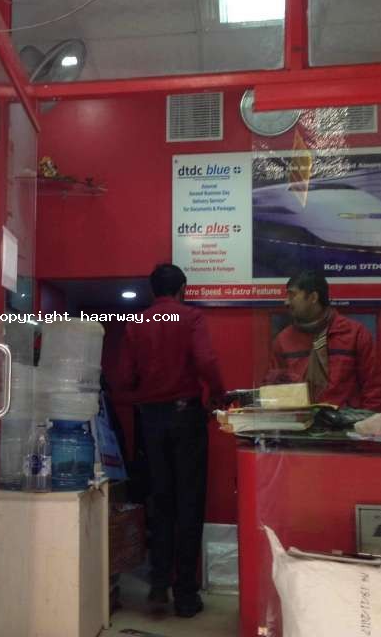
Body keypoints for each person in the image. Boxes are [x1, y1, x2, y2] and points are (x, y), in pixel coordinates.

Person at [118, 263, 226, 618]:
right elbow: (206, 360)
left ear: (153, 291)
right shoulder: (191, 317)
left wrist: (144, 392)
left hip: (151, 421)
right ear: (183, 289)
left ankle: (159, 582)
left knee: (160, 500)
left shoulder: (137, 323)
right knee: (189, 503)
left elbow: (124, 375)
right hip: (185, 417)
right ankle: (185, 596)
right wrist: (218, 394)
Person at [269, 269, 381, 410]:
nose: (286, 302)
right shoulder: (283, 341)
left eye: (292, 295)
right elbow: (275, 391)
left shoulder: (354, 334)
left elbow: (373, 387)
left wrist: (366, 420)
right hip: (301, 421)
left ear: (313, 297)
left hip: (346, 421)